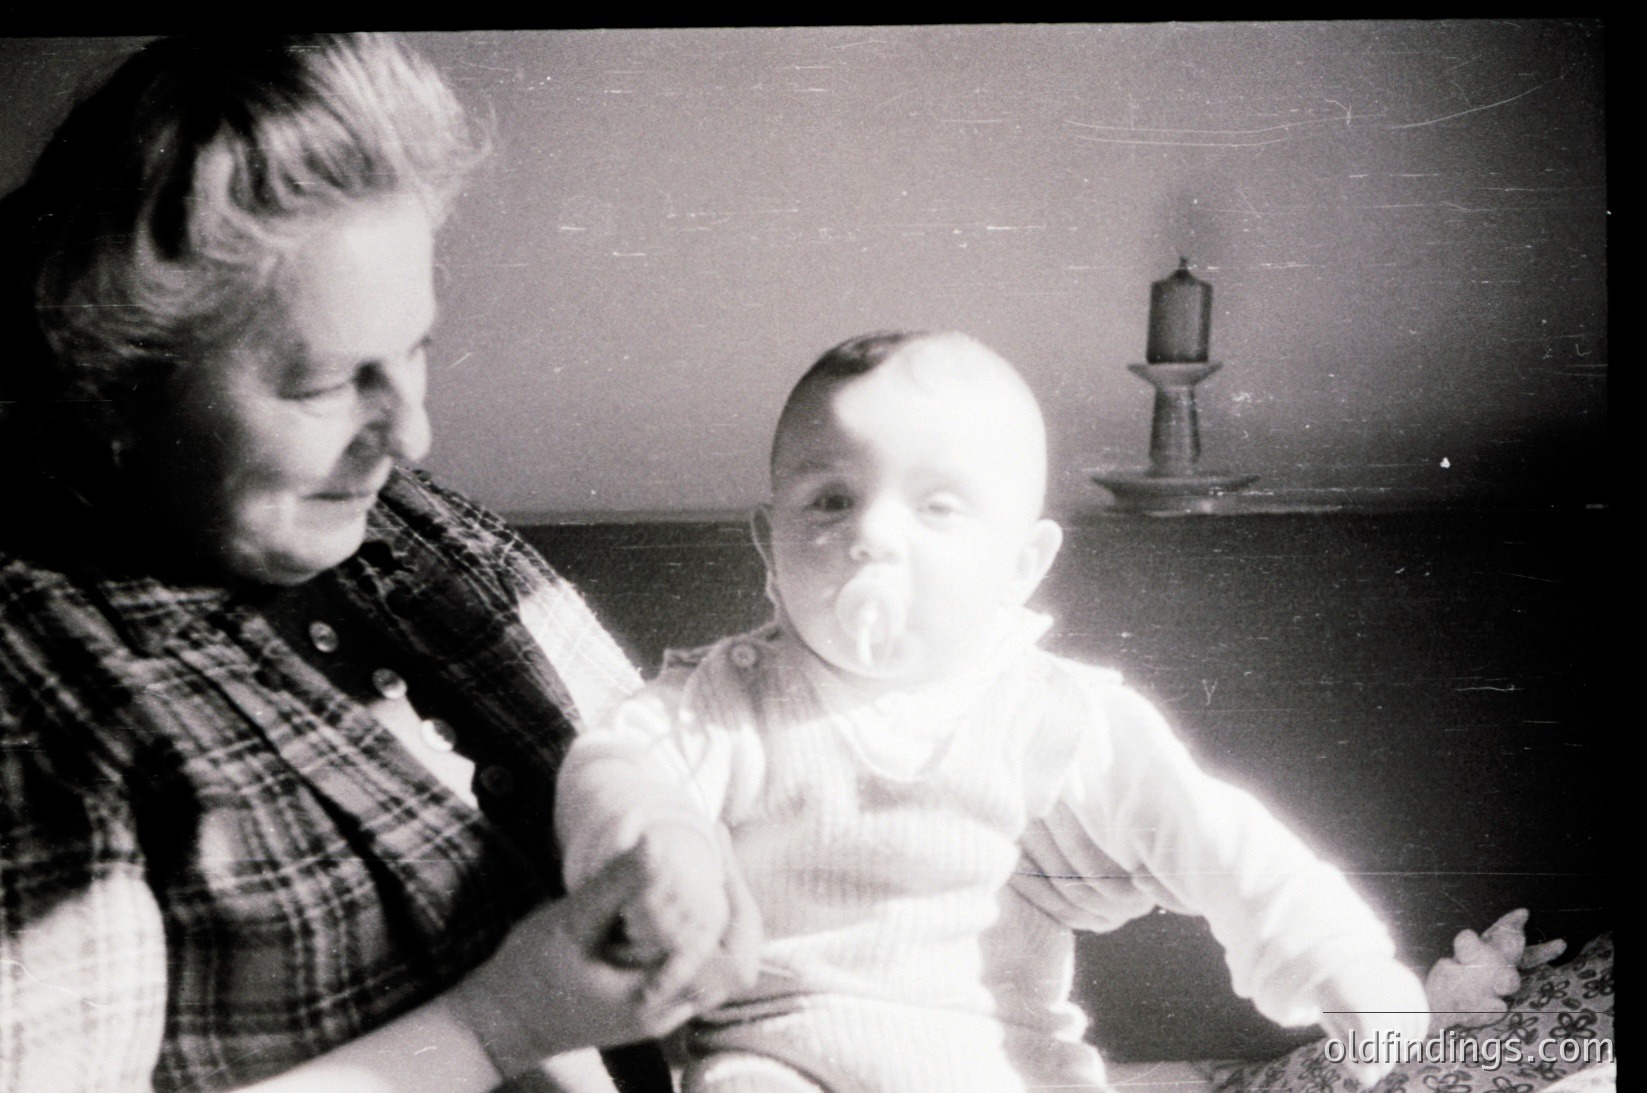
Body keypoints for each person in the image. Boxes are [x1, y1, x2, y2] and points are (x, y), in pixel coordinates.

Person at [0, 34, 752, 1093]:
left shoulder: (402, 523)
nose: (412, 435)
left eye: (415, 352)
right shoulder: (42, 704)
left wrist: (680, 841)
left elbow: (641, 746)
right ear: (114, 386)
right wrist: (490, 1028)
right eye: (320, 386)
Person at [554, 330, 1441, 1092]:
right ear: (768, 541)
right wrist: (653, 832)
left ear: (1020, 564)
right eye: (831, 500)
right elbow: (613, 760)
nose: (872, 535)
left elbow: (1214, 839)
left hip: (1000, 1061)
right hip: (778, 1055)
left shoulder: (1047, 713)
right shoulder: (725, 701)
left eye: (937, 506)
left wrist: (1339, 961)